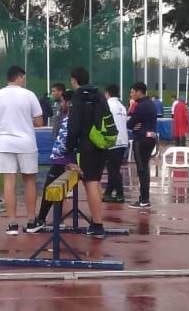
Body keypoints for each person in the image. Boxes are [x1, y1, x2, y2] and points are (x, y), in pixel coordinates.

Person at [0, 65, 43, 235]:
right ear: (20, 77)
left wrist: (3, 122)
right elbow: (39, 122)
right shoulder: (29, 95)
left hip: (5, 142)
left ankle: (11, 223)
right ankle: (31, 220)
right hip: (26, 142)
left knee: (9, 181)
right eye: (23, 78)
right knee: (29, 180)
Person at [65, 66, 110, 237]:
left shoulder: (78, 97)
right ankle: (96, 220)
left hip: (86, 145)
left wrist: (69, 151)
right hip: (101, 143)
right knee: (95, 181)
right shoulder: (99, 95)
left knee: (90, 183)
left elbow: (74, 126)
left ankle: (98, 224)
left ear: (74, 80)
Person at [36, 89, 74, 225]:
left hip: (62, 159)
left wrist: (69, 159)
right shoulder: (68, 115)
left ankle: (41, 219)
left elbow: (68, 140)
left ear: (69, 102)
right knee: (56, 187)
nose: (62, 104)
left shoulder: (72, 118)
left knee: (49, 187)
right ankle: (55, 218)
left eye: (63, 101)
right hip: (63, 158)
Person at [127, 82, 157, 209]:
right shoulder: (151, 104)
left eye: (132, 92)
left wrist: (134, 124)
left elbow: (130, 124)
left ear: (139, 92)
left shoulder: (140, 106)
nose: (131, 94)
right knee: (145, 167)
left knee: (142, 169)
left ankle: (144, 200)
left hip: (141, 139)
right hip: (150, 138)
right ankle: (144, 198)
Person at [103, 84, 128, 203]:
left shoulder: (108, 105)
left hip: (113, 141)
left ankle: (120, 194)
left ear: (107, 93)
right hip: (123, 141)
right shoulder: (122, 106)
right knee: (114, 169)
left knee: (113, 170)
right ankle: (108, 192)